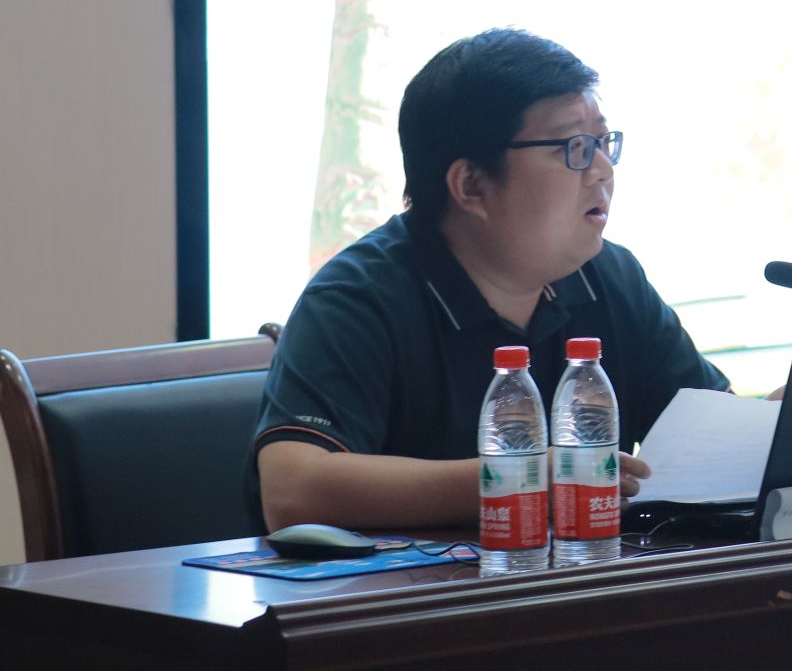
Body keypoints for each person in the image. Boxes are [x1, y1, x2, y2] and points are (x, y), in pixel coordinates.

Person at [251, 28, 729, 531]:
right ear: (471, 185)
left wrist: (783, 422)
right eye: (574, 147)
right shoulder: (358, 297)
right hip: (424, 582)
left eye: (603, 143)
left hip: (580, 573)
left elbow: (716, 440)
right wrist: (520, 478)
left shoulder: (610, 278)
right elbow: (292, 492)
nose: (603, 170)